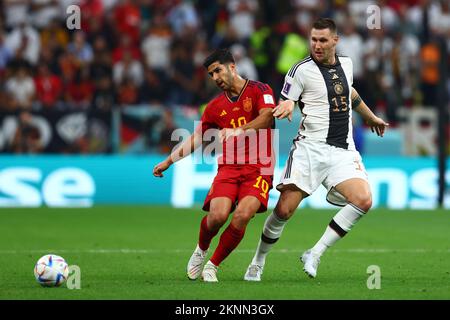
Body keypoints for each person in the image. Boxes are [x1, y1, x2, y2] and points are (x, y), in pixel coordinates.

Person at [244, 18, 389, 281]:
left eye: (323, 40)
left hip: (343, 151)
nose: (317, 45)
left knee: (364, 200)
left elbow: (350, 93)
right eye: (313, 40)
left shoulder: (347, 64)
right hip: (309, 150)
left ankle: (316, 252)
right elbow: (287, 99)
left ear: (335, 40)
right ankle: (258, 261)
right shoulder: (299, 70)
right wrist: (287, 106)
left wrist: (370, 117)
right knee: (284, 211)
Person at [153, 49, 276, 282]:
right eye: (211, 74)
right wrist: (169, 161)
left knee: (242, 214)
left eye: (218, 70)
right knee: (217, 216)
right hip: (229, 168)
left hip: (259, 168)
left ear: (232, 67)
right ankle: (201, 249)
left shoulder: (260, 90)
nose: (215, 78)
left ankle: (213, 265)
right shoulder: (214, 107)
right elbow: (197, 138)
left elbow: (267, 117)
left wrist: (239, 130)